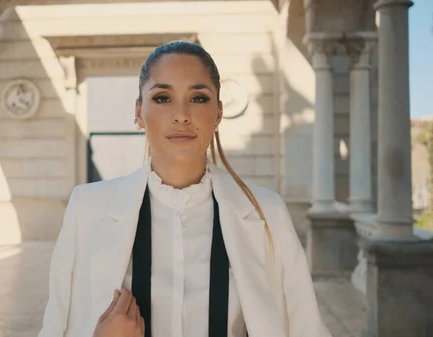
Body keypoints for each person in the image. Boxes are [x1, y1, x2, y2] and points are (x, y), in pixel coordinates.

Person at [37, 41, 331, 337]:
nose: (181, 115)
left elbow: (306, 328)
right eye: (163, 98)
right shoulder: (86, 209)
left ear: (218, 113)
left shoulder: (267, 212)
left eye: (198, 98)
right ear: (139, 112)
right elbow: (55, 327)